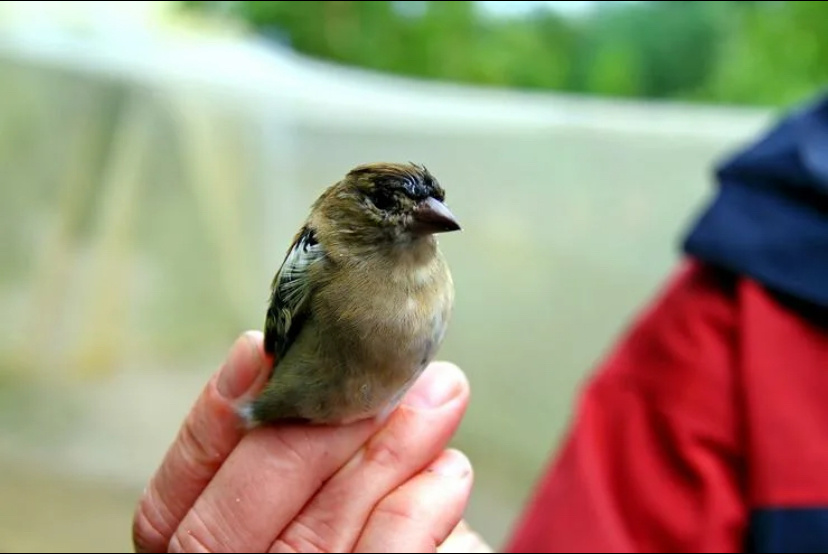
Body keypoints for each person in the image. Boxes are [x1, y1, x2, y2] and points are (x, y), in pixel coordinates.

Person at [132, 90, 828, 553]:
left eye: (432, 207)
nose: (427, 219)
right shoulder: (313, 263)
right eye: (388, 203)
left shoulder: (434, 277)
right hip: (295, 427)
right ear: (343, 208)